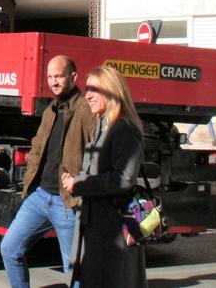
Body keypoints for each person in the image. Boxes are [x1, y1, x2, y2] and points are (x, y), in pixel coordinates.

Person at [0, 55, 93, 288]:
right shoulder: (51, 109)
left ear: (73, 76)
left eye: (59, 76)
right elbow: (38, 147)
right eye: (50, 76)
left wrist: (83, 185)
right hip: (39, 196)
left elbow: (100, 154)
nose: (53, 81)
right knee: (9, 249)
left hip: (68, 201)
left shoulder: (86, 110)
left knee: (74, 271)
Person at [63, 65, 147, 288]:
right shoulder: (103, 123)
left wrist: (79, 184)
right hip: (98, 223)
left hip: (113, 227)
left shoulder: (124, 128)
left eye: (93, 90)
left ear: (111, 92)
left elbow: (123, 178)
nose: (87, 95)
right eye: (87, 89)